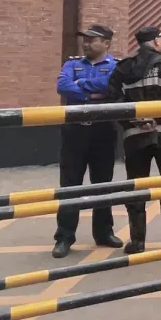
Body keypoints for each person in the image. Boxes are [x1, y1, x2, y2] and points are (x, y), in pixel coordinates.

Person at [108, 26, 161, 254]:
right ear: (156, 41)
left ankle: (137, 241)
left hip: (135, 135)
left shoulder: (123, 67)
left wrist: (136, 120)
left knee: (136, 186)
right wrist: (155, 117)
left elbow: (114, 100)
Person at [51, 25, 123, 258]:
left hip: (103, 132)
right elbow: (62, 86)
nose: (86, 43)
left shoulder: (116, 66)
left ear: (107, 43)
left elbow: (110, 88)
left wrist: (80, 85)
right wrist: (91, 94)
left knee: (102, 184)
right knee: (70, 185)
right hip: (74, 132)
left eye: (92, 40)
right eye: (85, 39)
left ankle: (103, 232)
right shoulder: (71, 64)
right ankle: (64, 236)